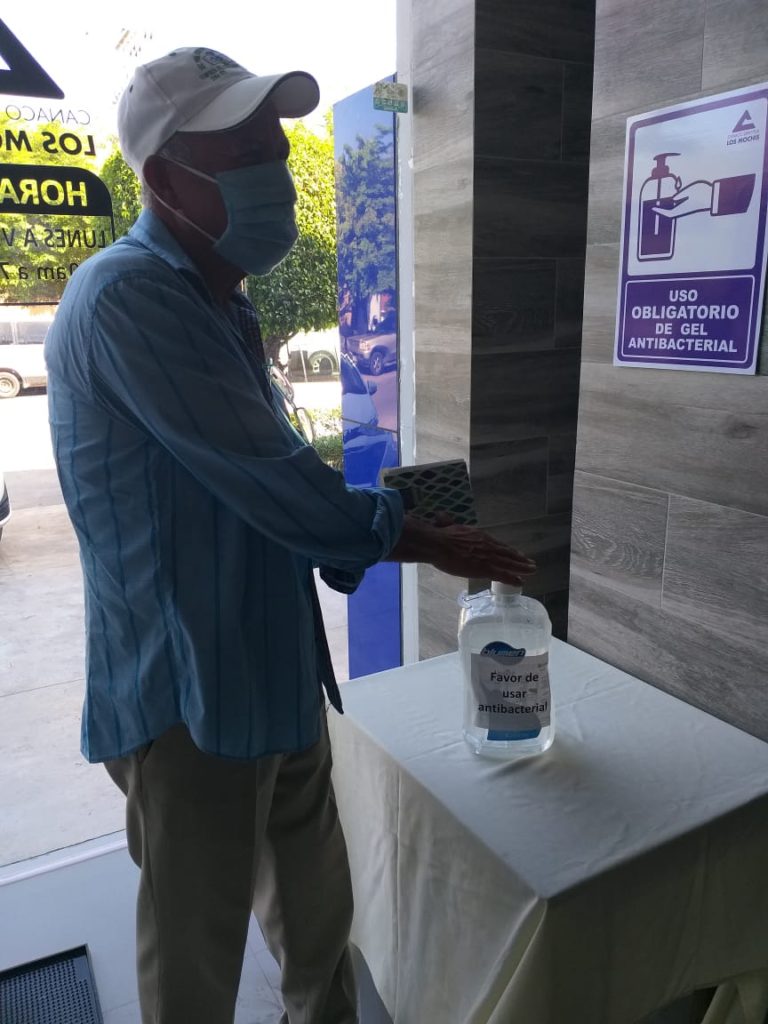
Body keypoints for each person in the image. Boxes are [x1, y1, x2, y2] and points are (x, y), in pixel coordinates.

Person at [45, 47, 537, 1024]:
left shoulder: (222, 303)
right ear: (165, 178)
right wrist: (415, 534)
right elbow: (274, 484)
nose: (276, 164)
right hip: (190, 703)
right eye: (247, 149)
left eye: (274, 141)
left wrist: (379, 525)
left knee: (319, 927)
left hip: (276, 677)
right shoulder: (128, 297)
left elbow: (270, 483)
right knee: (194, 965)